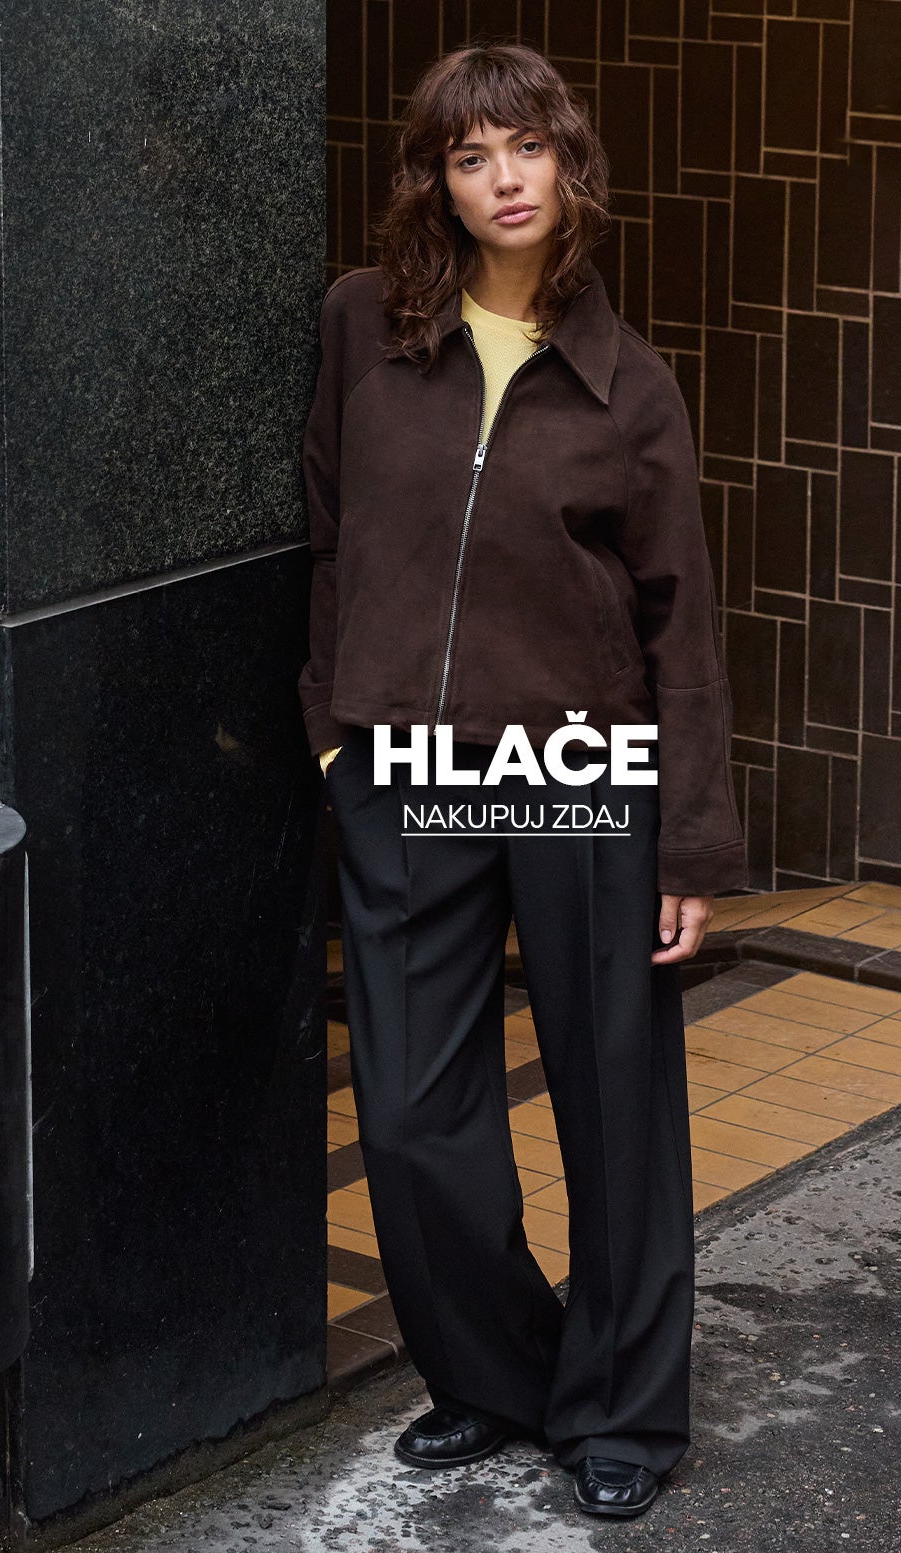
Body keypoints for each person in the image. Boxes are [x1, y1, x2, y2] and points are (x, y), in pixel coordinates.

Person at [298, 40, 746, 1521]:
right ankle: (500, 1376)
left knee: (615, 1102)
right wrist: (333, 724)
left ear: (569, 166)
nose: (503, 179)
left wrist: (690, 845)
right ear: (435, 178)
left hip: (582, 765)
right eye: (470, 154)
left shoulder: (632, 388)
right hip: (407, 763)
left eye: (527, 148)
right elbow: (329, 530)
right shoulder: (365, 325)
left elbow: (682, 628)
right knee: (410, 1114)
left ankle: (623, 1408)